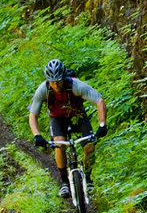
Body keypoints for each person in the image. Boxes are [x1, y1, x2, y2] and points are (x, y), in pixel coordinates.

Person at [28, 59, 108, 198]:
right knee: (59, 145)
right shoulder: (43, 90)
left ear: (64, 78)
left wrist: (102, 125)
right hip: (57, 119)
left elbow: (99, 101)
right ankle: (64, 182)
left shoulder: (76, 85)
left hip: (77, 115)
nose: (56, 84)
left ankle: (88, 179)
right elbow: (33, 115)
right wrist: (37, 135)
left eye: (58, 81)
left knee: (90, 147)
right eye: (52, 82)